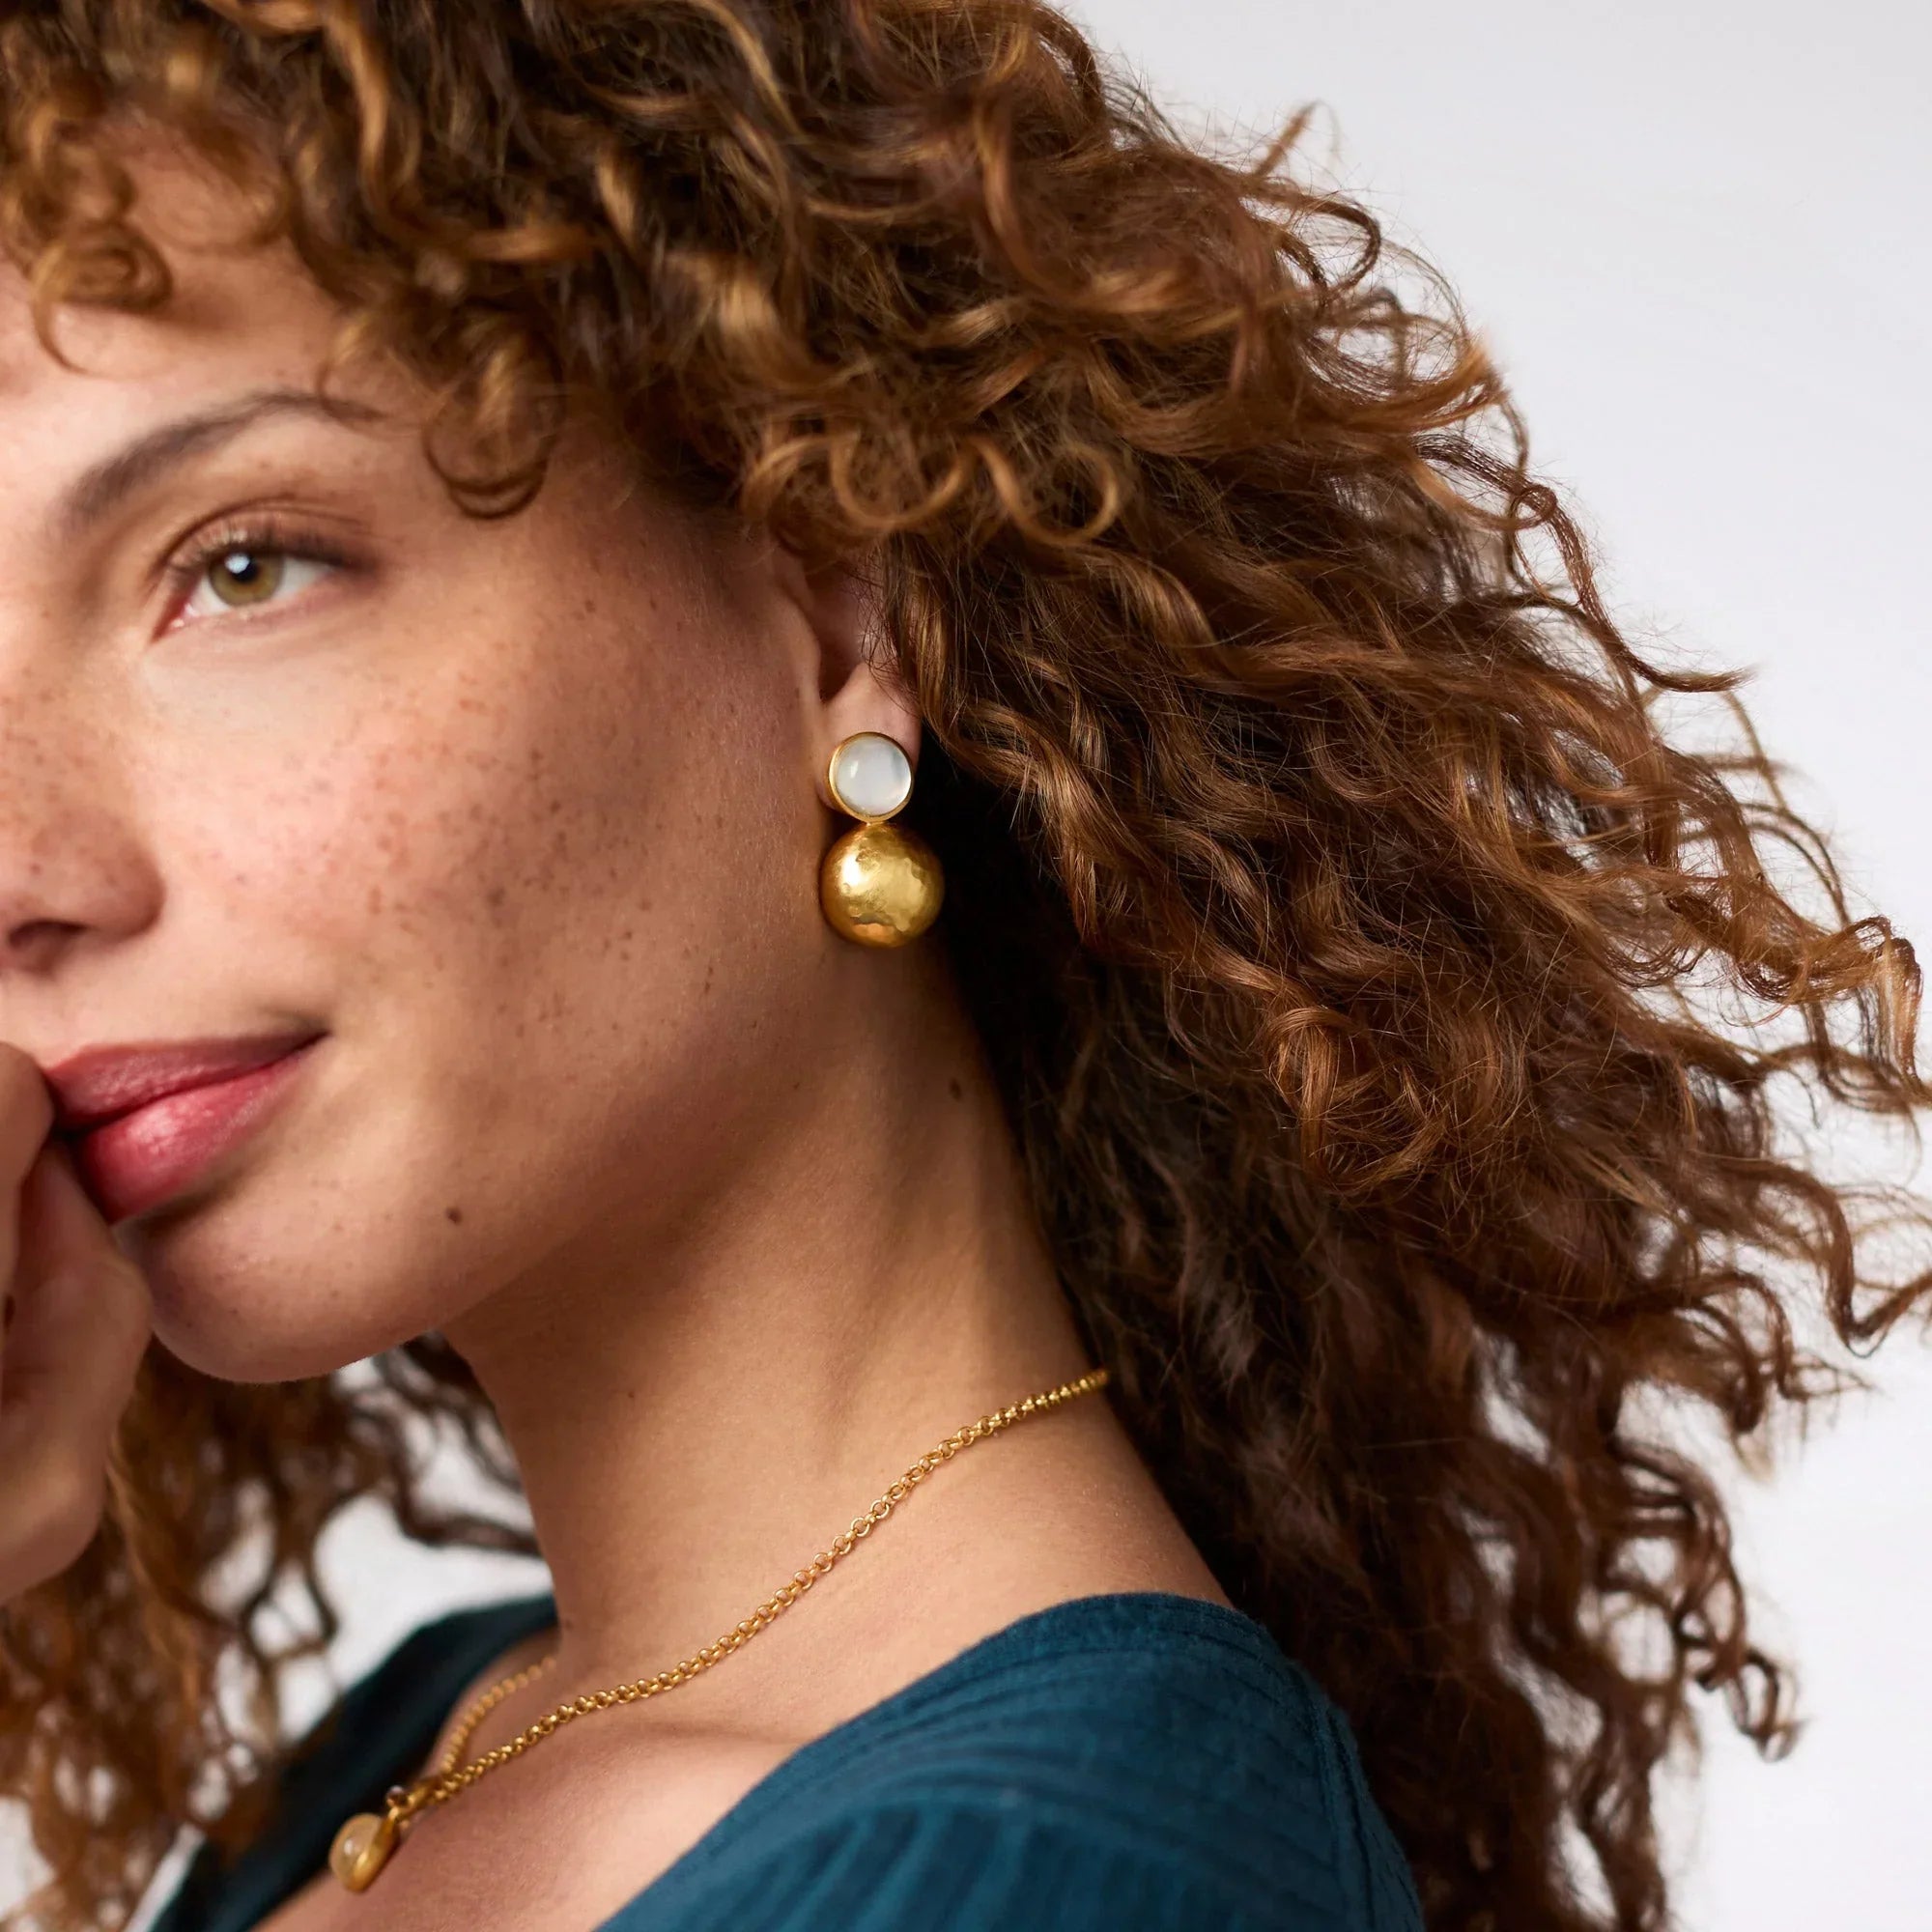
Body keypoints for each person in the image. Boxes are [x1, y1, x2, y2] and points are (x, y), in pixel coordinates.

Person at [0, 4, 1923, 1930]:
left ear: (833, 599)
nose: (20, 872)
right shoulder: (425, 1753)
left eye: (241, 565)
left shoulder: (1036, 1883)